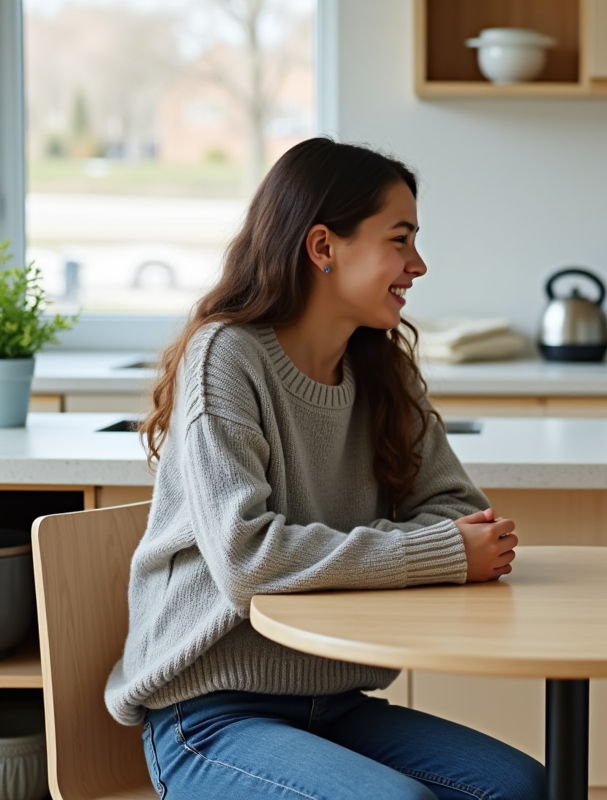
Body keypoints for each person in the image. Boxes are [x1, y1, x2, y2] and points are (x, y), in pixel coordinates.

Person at [105, 138, 546, 800]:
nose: (419, 265)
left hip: (337, 702)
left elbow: (457, 511)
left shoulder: (382, 368)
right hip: (211, 716)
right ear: (324, 248)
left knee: (522, 787)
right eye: (400, 241)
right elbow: (248, 562)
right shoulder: (226, 356)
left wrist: (443, 546)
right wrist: (436, 554)